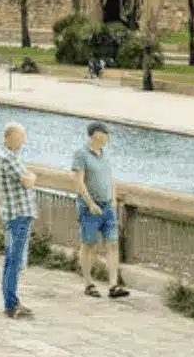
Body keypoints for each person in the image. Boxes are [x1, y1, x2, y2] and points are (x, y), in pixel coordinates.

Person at [71, 121, 128, 299]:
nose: (107, 136)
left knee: (112, 243)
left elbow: (110, 178)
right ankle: (88, 283)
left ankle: (113, 285)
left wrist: (113, 198)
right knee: (89, 244)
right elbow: (78, 181)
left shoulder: (105, 154)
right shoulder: (81, 154)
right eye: (105, 133)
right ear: (94, 134)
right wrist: (90, 203)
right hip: (90, 207)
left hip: (107, 205)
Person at [0, 123, 38, 319]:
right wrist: (32, 176)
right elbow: (27, 180)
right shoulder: (7, 158)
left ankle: (12, 301)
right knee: (14, 260)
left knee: (14, 260)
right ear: (9, 137)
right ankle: (11, 304)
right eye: (21, 137)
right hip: (17, 215)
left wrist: (29, 176)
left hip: (16, 214)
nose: (23, 141)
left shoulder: (6, 155)